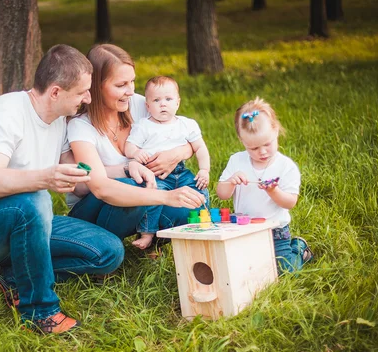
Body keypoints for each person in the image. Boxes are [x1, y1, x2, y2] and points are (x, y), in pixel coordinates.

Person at [0, 44, 125, 334]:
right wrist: (45, 178)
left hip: (30, 222)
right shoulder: (6, 113)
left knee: (108, 252)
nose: (89, 98)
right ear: (55, 92)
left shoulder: (61, 121)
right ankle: (39, 312)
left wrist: (129, 169)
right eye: (81, 92)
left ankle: (12, 275)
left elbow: (79, 175)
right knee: (35, 199)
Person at [66, 44, 205, 245]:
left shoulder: (141, 104)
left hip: (144, 195)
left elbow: (186, 134)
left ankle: (149, 242)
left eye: (132, 81)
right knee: (132, 185)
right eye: (121, 85)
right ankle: (105, 247)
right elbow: (93, 184)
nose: (130, 91)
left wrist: (178, 153)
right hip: (92, 210)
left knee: (189, 208)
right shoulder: (81, 126)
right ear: (97, 85)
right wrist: (129, 168)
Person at [216, 97, 313, 274]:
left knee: (286, 270)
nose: (262, 152)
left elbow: (290, 202)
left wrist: (274, 191)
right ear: (241, 140)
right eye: (253, 148)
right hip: (243, 229)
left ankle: (299, 248)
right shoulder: (237, 161)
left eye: (267, 144)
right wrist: (231, 182)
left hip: (275, 232)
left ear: (275, 131)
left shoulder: (285, 166)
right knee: (242, 270)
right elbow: (221, 193)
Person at [124, 76, 210, 249]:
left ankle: (202, 224)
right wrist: (137, 152)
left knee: (200, 191)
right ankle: (148, 233)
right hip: (156, 174)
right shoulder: (144, 126)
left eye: (168, 99)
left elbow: (200, 147)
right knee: (152, 197)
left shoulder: (186, 124)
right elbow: (129, 147)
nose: (163, 104)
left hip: (181, 172)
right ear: (147, 106)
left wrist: (204, 169)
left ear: (177, 103)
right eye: (156, 100)